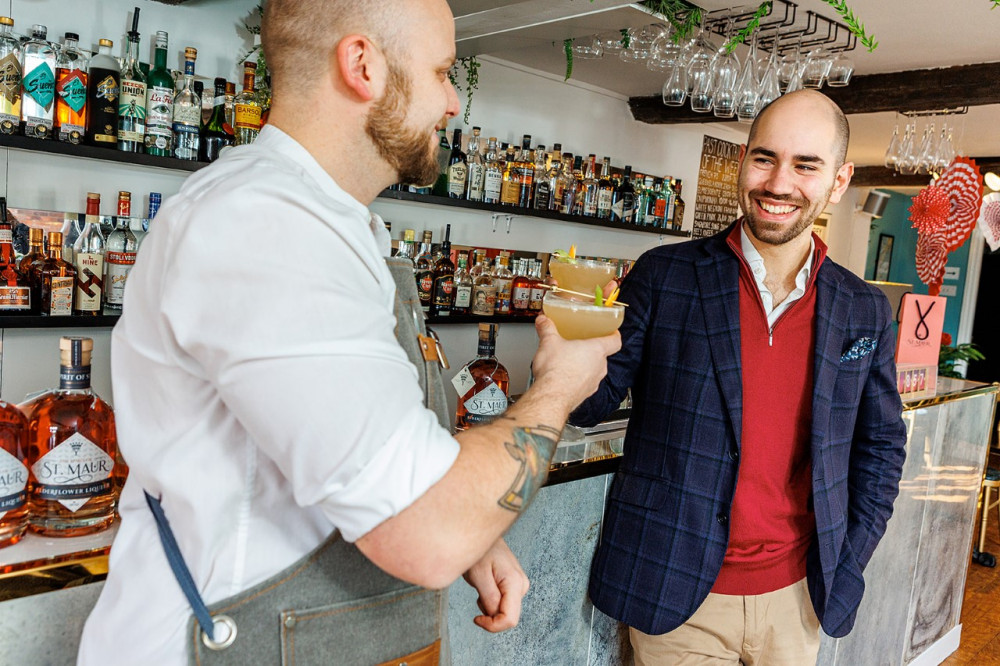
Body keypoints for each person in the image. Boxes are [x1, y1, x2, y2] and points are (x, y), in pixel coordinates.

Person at [77, 0, 620, 663]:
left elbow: (358, 445)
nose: (454, 102)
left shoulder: (342, 226)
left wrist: (469, 522)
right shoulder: (266, 225)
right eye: (444, 71)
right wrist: (558, 388)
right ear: (362, 65)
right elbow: (424, 533)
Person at [571, 89, 907, 665]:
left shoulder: (864, 308)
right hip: (677, 595)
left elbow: (881, 446)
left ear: (840, 179)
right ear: (743, 159)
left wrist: (847, 559)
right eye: (764, 158)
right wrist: (571, 343)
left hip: (797, 597)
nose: (779, 183)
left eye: (806, 165)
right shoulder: (664, 276)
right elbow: (592, 403)